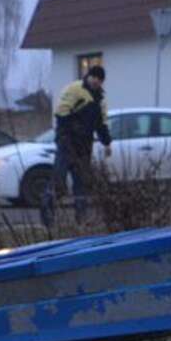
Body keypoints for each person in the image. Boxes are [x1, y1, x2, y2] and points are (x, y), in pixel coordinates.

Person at [42, 65, 111, 227]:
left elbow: (101, 124)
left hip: (84, 145)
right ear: (89, 76)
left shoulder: (100, 99)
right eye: (94, 78)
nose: (96, 82)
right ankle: (47, 218)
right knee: (59, 179)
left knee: (81, 183)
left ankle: (81, 220)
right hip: (67, 142)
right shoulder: (75, 89)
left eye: (100, 80)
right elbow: (61, 113)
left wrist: (107, 142)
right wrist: (65, 136)